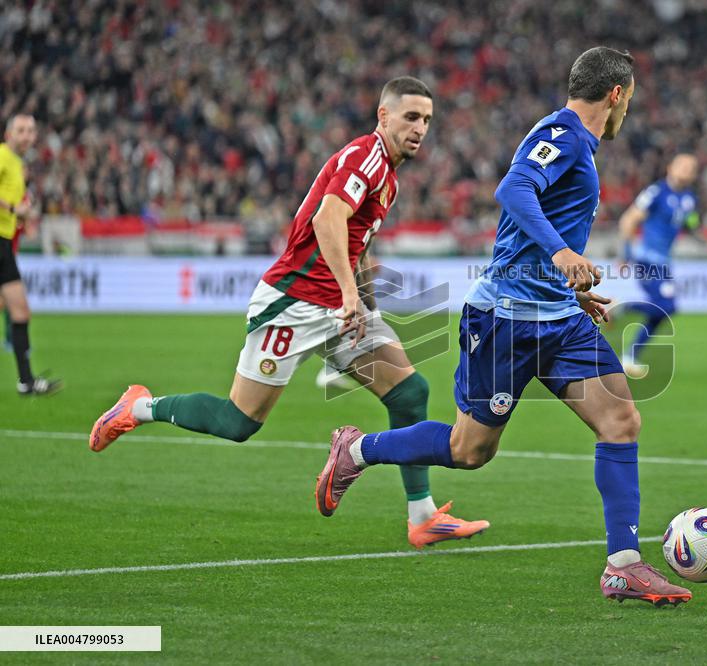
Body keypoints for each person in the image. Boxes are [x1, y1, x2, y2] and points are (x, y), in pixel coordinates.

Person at [316, 48, 692, 607]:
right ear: (615, 94)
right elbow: (514, 191)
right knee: (470, 452)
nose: (627, 113)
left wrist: (569, 285)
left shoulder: (578, 144)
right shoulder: (562, 133)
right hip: (506, 320)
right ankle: (359, 449)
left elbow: (532, 225)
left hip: (558, 317)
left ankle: (623, 566)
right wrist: (563, 252)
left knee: (620, 419)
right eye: (629, 101)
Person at [89, 77, 489, 549]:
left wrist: (365, 302)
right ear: (384, 116)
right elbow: (327, 219)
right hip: (293, 304)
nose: (420, 127)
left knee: (408, 392)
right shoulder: (367, 156)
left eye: (427, 120)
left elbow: (356, 245)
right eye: (410, 117)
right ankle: (138, 406)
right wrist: (347, 295)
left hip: (339, 309)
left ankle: (421, 516)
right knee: (239, 423)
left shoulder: (390, 178)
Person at [617, 154, 700, 378]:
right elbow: (628, 220)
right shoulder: (656, 192)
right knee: (667, 306)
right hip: (646, 258)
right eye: (682, 164)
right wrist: (625, 255)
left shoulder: (690, 199)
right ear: (669, 167)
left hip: (664, 261)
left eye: (691, 167)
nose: (686, 169)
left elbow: (689, 226)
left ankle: (628, 358)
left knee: (662, 311)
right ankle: (619, 308)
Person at [0, 114, 60, 395]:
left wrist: (21, 218)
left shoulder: (18, 164)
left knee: (20, 311)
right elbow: (10, 206)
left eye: (31, 131)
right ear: (9, 133)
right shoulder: (2, 155)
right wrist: (14, 210)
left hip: (4, 245)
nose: (27, 136)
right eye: (21, 130)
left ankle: (26, 381)